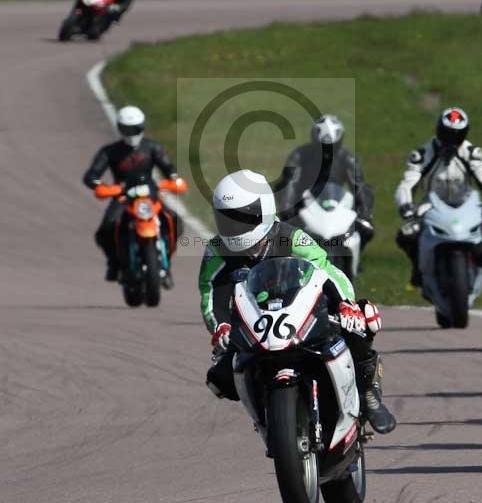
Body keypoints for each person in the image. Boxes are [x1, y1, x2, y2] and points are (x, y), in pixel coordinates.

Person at [199, 169, 396, 435]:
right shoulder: (216, 251)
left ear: (264, 211)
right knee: (219, 378)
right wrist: (220, 326)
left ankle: (369, 393)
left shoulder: (291, 237)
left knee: (362, 321)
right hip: (253, 323)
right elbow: (211, 292)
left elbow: (326, 270)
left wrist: (345, 304)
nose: (235, 227)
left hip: (302, 313)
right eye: (228, 219)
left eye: (243, 217)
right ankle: (265, 415)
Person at [83, 105, 183, 282]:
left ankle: (166, 261)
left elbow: (168, 167)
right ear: (120, 129)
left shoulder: (152, 147)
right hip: (123, 196)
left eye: (135, 129)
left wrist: (174, 179)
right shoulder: (110, 151)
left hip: (150, 194)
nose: (131, 133)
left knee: (175, 221)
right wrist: (98, 185)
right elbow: (92, 174)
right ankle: (113, 264)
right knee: (106, 228)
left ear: (142, 127)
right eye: (126, 129)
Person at [395, 107, 482, 286]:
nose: (451, 140)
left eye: (457, 135)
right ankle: (418, 268)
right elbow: (407, 183)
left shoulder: (471, 152)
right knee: (406, 234)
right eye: (447, 134)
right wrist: (406, 205)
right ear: (439, 131)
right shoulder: (422, 154)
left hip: (466, 205)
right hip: (431, 206)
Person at [275, 114, 375, 254]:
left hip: (337, 203)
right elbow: (289, 182)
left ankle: (355, 259)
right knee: (282, 236)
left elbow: (359, 185)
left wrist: (365, 213)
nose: (327, 153)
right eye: (323, 147)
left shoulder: (348, 158)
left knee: (366, 229)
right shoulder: (299, 156)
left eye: (331, 147)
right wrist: (287, 211)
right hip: (304, 207)